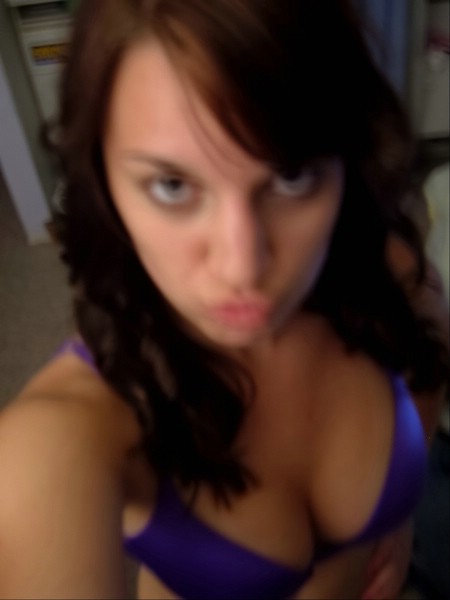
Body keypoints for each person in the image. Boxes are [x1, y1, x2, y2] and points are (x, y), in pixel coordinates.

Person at [0, 1, 448, 598]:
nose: (244, 268)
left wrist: (394, 517)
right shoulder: (57, 443)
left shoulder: (390, 272)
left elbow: (427, 357)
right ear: (103, 181)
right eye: (172, 185)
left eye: (292, 176)